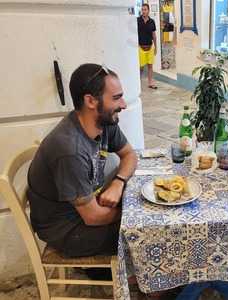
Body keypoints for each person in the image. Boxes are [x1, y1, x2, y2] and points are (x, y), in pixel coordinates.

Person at [27, 63, 137, 258]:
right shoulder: (70, 150)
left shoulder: (104, 121)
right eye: (117, 98)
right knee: (146, 232)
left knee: (147, 221)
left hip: (85, 211)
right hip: (67, 229)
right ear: (91, 101)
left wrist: (118, 183)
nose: (124, 105)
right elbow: (93, 217)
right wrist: (132, 215)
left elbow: (129, 155)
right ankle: (150, 285)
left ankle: (122, 273)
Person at [138, 3, 158, 89]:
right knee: (141, 67)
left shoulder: (152, 21)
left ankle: (150, 83)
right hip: (140, 47)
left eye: (145, 9)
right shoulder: (137, 21)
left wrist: (156, 47)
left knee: (150, 66)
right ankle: (138, 83)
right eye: (142, 10)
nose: (143, 11)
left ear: (148, 10)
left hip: (150, 47)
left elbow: (154, 35)